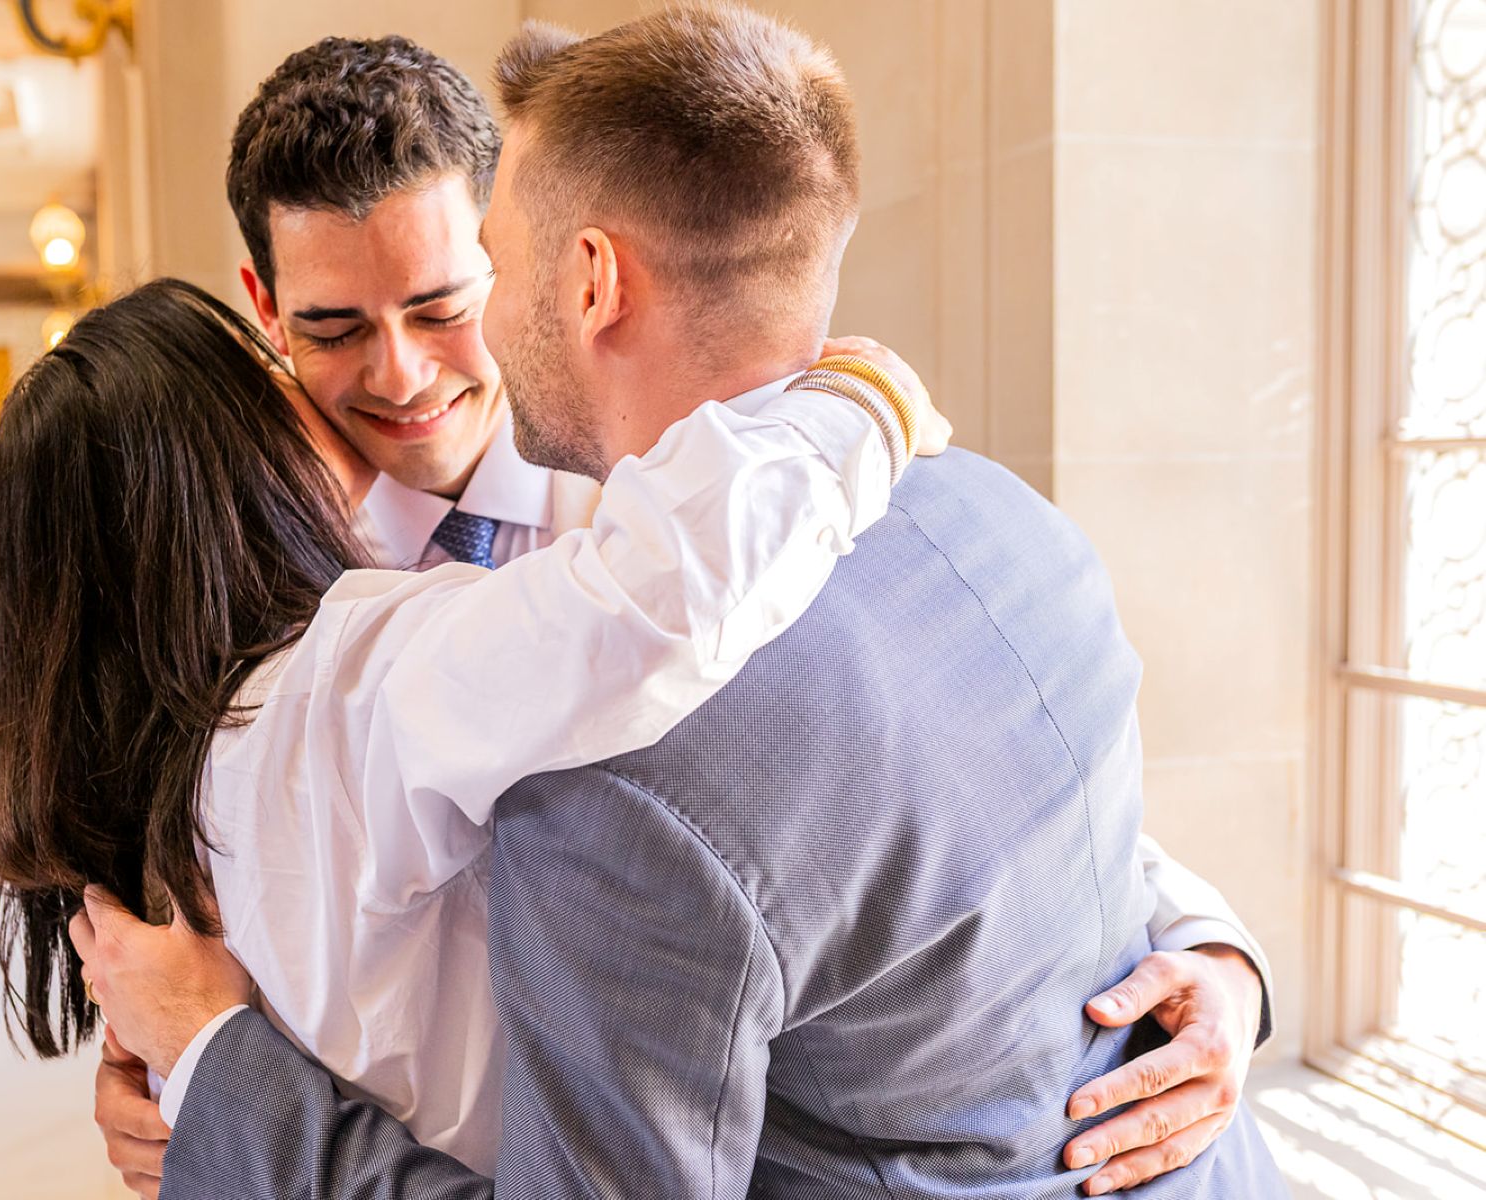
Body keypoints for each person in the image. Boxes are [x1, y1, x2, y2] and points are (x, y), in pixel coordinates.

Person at [74, 8, 1289, 1198]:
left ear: (569, 271)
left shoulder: (695, 577)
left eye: (450, 301)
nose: (402, 372)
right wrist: (187, 1079)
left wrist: (1214, 953)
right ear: (263, 303)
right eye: (333, 328)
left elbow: (967, 794)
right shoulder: (244, 592)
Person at [0, 275, 928, 1169]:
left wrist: (200, 1074)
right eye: (290, 361)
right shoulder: (346, 676)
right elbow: (663, 594)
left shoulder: (150, 776)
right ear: (240, 455)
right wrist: (862, 396)